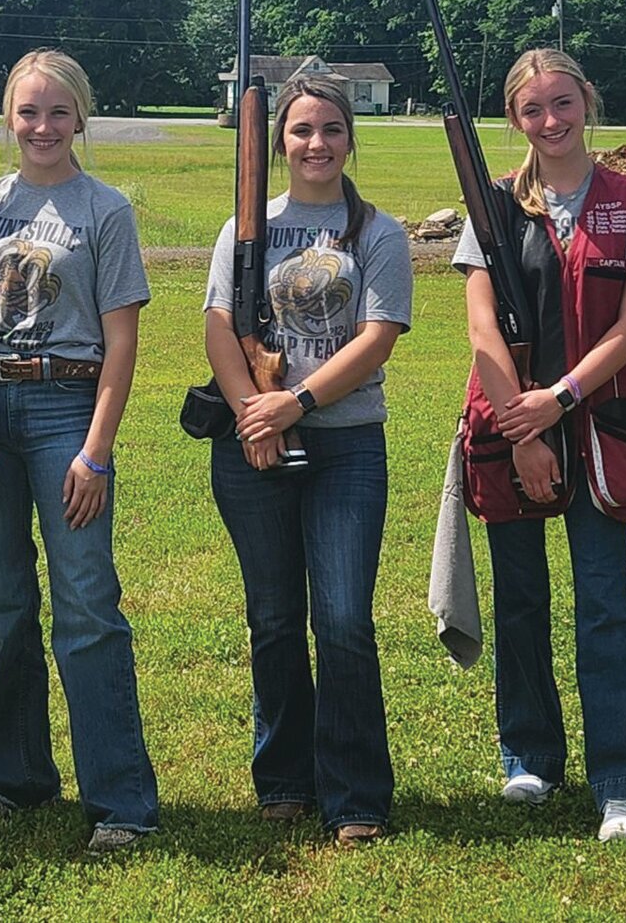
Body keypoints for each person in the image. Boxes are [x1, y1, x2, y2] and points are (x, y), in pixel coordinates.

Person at [0, 48, 158, 854]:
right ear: (7, 118)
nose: (42, 127)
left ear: (81, 118)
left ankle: (121, 799)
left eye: (58, 112)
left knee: (88, 607)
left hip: (69, 409)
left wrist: (96, 450)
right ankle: (13, 776)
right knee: (3, 602)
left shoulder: (104, 211)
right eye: (28, 112)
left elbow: (123, 342)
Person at [452, 47, 626, 843]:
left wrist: (559, 399)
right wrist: (522, 427)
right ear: (515, 118)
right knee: (520, 604)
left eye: (563, 103)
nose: (551, 121)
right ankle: (531, 759)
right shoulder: (492, 207)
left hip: (599, 424)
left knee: (605, 608)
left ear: (587, 101)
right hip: (509, 426)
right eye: (533, 109)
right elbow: (483, 327)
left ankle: (620, 782)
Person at [204, 74, 412, 845]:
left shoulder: (379, 234)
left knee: (345, 619)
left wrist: (297, 403)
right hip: (252, 442)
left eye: (330, 128)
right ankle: (285, 778)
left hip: (346, 443)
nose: (316, 143)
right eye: (300, 130)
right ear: (279, 142)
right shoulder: (245, 228)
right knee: (273, 618)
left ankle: (357, 793)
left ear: (350, 137)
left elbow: (376, 338)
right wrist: (251, 413)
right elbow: (220, 327)